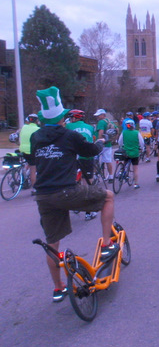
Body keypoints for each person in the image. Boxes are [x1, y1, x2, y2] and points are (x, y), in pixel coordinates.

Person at [31, 87, 119, 303]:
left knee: (52, 244)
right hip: (67, 191)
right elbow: (91, 151)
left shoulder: (36, 136)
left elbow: (34, 163)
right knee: (107, 196)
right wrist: (100, 141)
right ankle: (107, 244)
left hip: (44, 195)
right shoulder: (69, 135)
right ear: (63, 117)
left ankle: (58, 288)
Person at [66, 109, 98, 221]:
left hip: (73, 157)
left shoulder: (68, 127)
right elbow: (93, 139)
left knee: (75, 182)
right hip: (87, 157)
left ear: (74, 118)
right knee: (88, 184)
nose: (70, 119)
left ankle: (76, 205)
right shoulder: (90, 127)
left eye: (71, 117)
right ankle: (89, 212)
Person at [118, 119, 145, 189]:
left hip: (126, 152)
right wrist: (142, 148)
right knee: (135, 168)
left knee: (125, 162)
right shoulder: (136, 133)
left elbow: (120, 142)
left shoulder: (124, 132)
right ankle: (136, 184)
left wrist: (122, 146)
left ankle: (122, 171)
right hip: (135, 152)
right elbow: (141, 142)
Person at [18, 113, 40, 191]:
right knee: (33, 169)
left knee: (28, 162)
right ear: (37, 121)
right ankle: (35, 189)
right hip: (31, 151)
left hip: (22, 150)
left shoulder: (23, 127)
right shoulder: (37, 129)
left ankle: (23, 174)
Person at [94, 109, 115, 183]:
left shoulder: (101, 122)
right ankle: (111, 177)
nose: (97, 117)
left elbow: (101, 132)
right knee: (108, 161)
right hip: (108, 144)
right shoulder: (110, 121)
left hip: (101, 144)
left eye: (99, 115)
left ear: (103, 115)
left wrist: (99, 141)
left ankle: (95, 176)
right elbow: (116, 130)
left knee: (95, 159)